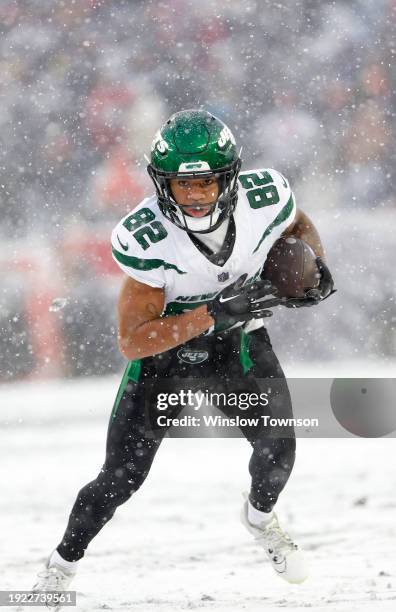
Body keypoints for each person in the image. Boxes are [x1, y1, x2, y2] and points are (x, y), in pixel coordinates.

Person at [33, 109, 334, 603]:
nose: (194, 196)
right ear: (161, 184)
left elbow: (296, 223)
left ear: (230, 177)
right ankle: (61, 566)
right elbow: (133, 340)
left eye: (205, 183)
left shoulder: (265, 198)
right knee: (119, 480)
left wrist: (314, 265)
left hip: (239, 343)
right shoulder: (146, 236)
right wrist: (210, 313)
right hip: (165, 358)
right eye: (181, 184)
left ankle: (260, 519)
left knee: (279, 454)